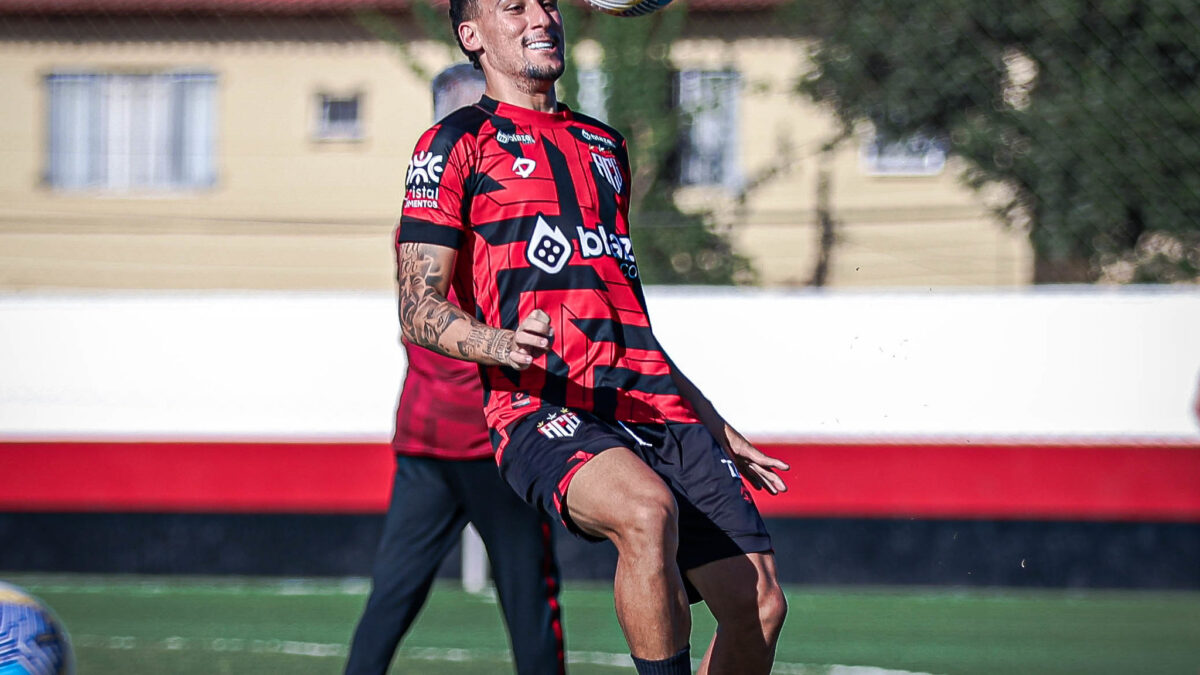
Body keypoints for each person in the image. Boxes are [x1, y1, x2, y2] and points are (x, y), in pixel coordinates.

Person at [394, 1, 790, 673]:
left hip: (653, 405)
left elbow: (622, 310)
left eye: (547, 2)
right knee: (645, 510)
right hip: (543, 406)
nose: (541, 16)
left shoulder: (604, 145)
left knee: (759, 605)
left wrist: (705, 413)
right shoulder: (454, 143)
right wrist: (499, 343)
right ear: (472, 35)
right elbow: (416, 305)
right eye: (513, 7)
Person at [343, 63, 566, 675]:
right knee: (529, 600)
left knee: (394, 594)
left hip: (431, 433)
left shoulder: (418, 218)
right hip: (494, 437)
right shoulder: (487, 212)